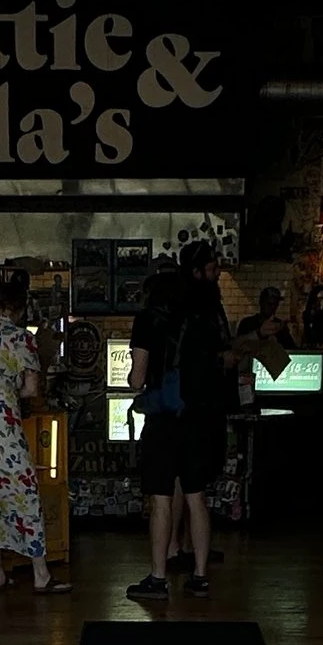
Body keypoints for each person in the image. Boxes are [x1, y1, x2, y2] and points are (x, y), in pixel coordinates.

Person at [127, 240, 231, 600]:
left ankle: (158, 578)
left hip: (163, 420)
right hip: (198, 418)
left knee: (161, 499)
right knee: (196, 497)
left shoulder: (147, 320)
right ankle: (200, 576)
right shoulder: (199, 318)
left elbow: (137, 379)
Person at [0, 270, 66, 594]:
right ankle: (41, 575)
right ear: (22, 308)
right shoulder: (21, 337)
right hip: (4, 427)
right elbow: (31, 389)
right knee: (25, 494)